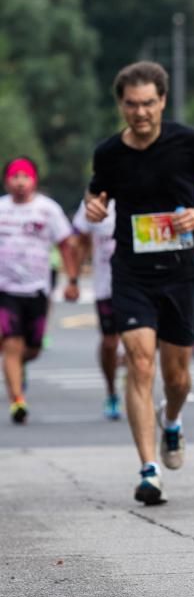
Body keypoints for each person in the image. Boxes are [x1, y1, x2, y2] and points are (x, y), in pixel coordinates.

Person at [85, 61, 194, 505]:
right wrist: (93, 205)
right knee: (140, 361)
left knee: (177, 376)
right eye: (132, 105)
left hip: (183, 270)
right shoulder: (109, 153)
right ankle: (148, 469)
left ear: (162, 101)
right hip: (131, 271)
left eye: (149, 103)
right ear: (121, 105)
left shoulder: (187, 142)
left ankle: (173, 422)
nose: (141, 113)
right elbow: (97, 192)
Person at [0, 156, 80, 423]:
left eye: (25, 176)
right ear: (6, 181)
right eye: (14, 176)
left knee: (32, 348)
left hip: (37, 289)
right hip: (5, 290)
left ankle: (20, 368)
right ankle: (17, 400)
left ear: (34, 180)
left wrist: (72, 280)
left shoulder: (48, 210)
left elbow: (66, 244)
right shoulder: (1, 209)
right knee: (11, 343)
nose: (20, 182)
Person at [72, 195, 122, 420]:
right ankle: (112, 391)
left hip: (142, 284)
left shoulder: (146, 190)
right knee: (110, 343)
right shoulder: (94, 200)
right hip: (106, 287)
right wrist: (73, 279)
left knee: (140, 343)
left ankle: (139, 391)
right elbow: (79, 239)